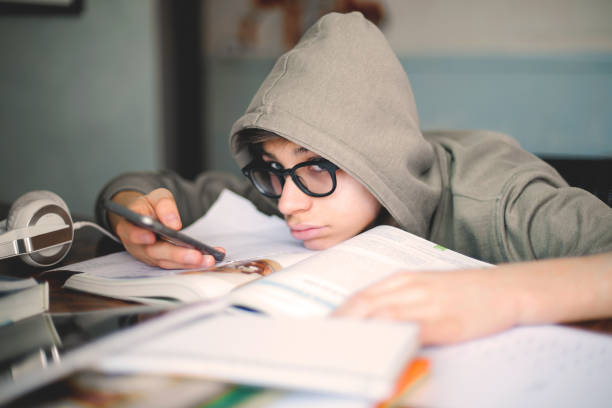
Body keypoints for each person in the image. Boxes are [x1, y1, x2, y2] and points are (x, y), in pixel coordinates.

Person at [96, 12, 612, 343]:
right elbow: (153, 186)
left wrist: (501, 294)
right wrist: (133, 209)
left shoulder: (500, 203)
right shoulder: (284, 193)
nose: (289, 205)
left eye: (318, 165)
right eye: (273, 169)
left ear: (376, 160)